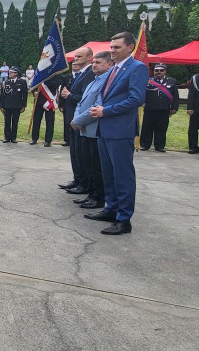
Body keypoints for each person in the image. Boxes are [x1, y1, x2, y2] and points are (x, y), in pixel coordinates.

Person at [84, 31, 147, 236]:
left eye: (117, 47)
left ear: (130, 47)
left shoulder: (136, 68)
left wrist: (106, 111)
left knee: (122, 176)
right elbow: (107, 95)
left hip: (120, 131)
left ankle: (123, 219)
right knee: (108, 174)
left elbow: (136, 99)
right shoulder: (113, 69)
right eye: (111, 47)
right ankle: (110, 209)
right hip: (105, 129)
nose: (112, 51)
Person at [70, 50, 113, 210]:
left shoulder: (107, 82)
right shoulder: (93, 81)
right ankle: (92, 194)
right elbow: (81, 103)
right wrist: (77, 119)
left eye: (98, 63)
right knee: (88, 163)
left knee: (97, 167)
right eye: (93, 62)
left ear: (109, 64)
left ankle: (98, 197)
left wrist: (78, 121)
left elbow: (97, 106)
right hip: (85, 128)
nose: (94, 65)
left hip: (95, 129)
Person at [60, 48, 95, 192]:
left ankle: (83, 183)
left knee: (81, 155)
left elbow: (85, 99)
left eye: (79, 56)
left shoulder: (90, 75)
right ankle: (77, 179)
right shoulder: (80, 74)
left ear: (89, 58)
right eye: (75, 56)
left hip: (80, 120)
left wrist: (69, 96)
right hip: (72, 118)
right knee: (74, 152)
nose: (75, 59)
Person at [140, 63, 179, 152]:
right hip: (150, 108)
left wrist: (174, 107)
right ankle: (145, 145)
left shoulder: (171, 81)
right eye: (156, 70)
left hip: (164, 108)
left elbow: (175, 96)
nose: (159, 72)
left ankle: (160, 146)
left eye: (161, 70)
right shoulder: (148, 80)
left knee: (162, 128)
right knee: (147, 127)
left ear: (165, 71)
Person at [30, 74, 63, 146]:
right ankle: (34, 138)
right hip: (39, 100)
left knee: (50, 121)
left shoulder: (55, 74)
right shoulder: (41, 72)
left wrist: (45, 79)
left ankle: (48, 140)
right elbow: (34, 84)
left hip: (49, 101)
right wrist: (34, 92)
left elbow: (57, 84)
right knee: (36, 120)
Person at [0, 67, 28, 143]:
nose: (9, 74)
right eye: (9, 72)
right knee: (7, 122)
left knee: (15, 122)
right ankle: (7, 137)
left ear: (16, 73)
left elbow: (24, 95)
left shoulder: (22, 82)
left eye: (11, 72)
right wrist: (1, 105)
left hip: (17, 106)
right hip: (7, 105)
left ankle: (13, 137)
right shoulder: (6, 82)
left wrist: (23, 105)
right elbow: (2, 95)